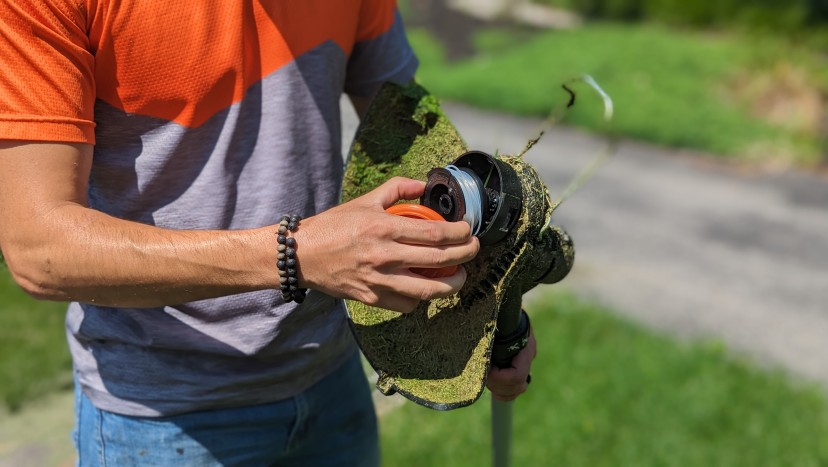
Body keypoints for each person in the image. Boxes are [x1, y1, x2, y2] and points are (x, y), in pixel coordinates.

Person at [0, 1, 535, 465]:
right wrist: (294, 255)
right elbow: (39, 248)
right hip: (163, 416)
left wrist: (485, 297)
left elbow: (410, 135)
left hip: (332, 377)